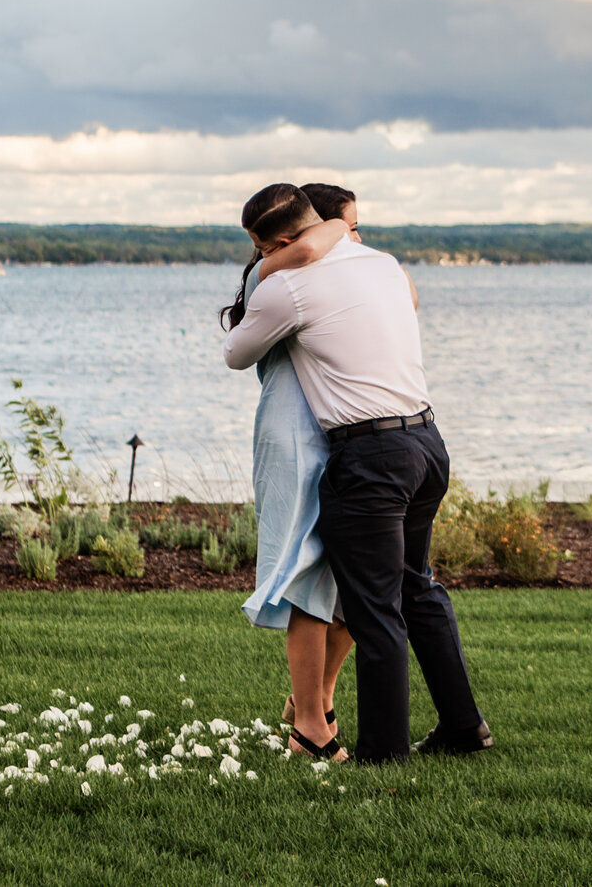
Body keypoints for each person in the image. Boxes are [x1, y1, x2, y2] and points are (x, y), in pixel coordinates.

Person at [223, 183, 491, 764]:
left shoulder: (288, 286)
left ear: (279, 242)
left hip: (369, 455)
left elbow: (236, 353)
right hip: (426, 442)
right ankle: (464, 726)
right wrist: (331, 237)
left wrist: (277, 264)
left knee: (372, 606)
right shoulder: (383, 265)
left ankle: (384, 750)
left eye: (262, 247)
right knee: (416, 588)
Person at [221, 184, 356, 763]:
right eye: (350, 226)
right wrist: (339, 230)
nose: (355, 237)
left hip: (343, 430)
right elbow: (306, 249)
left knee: (352, 577)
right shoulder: (271, 275)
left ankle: (316, 699)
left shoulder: (323, 265)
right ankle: (311, 723)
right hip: (293, 436)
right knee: (305, 574)